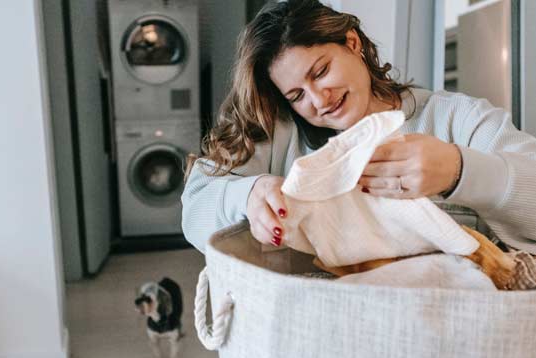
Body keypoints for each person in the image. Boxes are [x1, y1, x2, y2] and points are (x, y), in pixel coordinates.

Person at [181, 0, 536, 255]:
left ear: (352, 43)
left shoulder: (458, 119)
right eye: (297, 94)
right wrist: (248, 194)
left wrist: (460, 171)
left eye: (320, 72)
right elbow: (195, 208)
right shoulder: (281, 133)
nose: (319, 100)